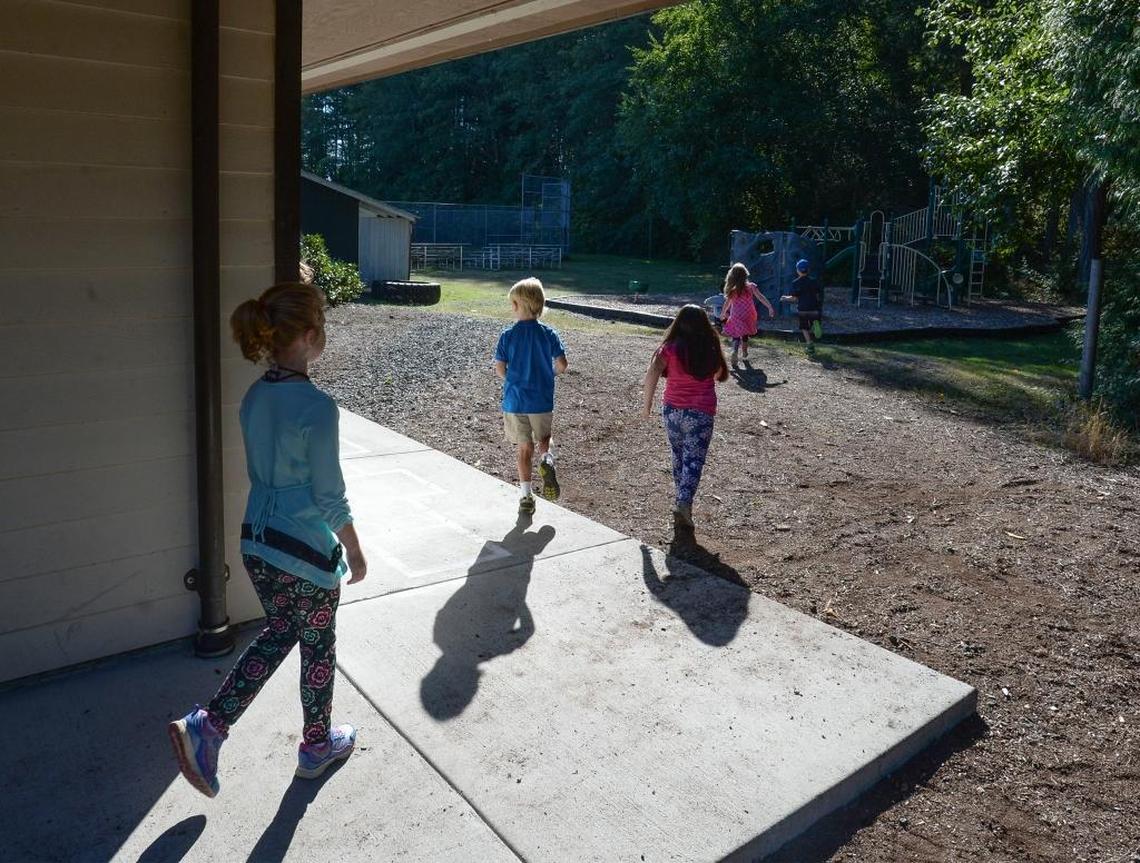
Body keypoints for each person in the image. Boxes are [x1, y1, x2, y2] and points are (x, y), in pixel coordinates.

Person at [168, 282, 367, 798]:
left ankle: (208, 727)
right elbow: (329, 495)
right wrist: (353, 546)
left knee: (281, 631)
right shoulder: (318, 408)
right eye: (321, 328)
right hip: (304, 549)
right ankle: (316, 745)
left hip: (257, 543)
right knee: (318, 647)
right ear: (307, 336)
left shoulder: (255, 396)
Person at [641, 304, 729, 530]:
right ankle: (683, 502)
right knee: (694, 460)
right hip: (701, 414)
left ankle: (681, 498)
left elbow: (651, 374)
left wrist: (647, 406)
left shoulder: (668, 348)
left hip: (672, 411)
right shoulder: (709, 346)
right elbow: (719, 374)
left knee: (679, 456)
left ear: (678, 323)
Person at [494, 278, 568, 515]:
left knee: (524, 447)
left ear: (519, 305)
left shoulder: (508, 335)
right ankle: (546, 459)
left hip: (515, 401)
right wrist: (549, 376)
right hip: (541, 399)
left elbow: (500, 369)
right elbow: (562, 364)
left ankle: (526, 495)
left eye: (513, 303)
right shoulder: (549, 334)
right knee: (544, 437)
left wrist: (513, 380)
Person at [721, 262, 775, 365]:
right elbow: (760, 297)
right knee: (745, 334)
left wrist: (723, 313)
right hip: (749, 314)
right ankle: (745, 351)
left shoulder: (732, 290)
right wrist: (769, 307)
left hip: (736, 314)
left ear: (732, 276)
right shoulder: (751, 286)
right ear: (745, 274)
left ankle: (735, 351)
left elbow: (727, 303)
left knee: (736, 334)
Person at [781, 259, 823, 344]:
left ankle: (809, 344)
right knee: (813, 320)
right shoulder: (814, 281)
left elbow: (794, 298)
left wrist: (785, 298)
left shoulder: (796, 283)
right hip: (814, 307)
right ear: (808, 270)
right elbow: (818, 295)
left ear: (797, 270)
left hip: (803, 308)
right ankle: (815, 323)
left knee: (804, 327)